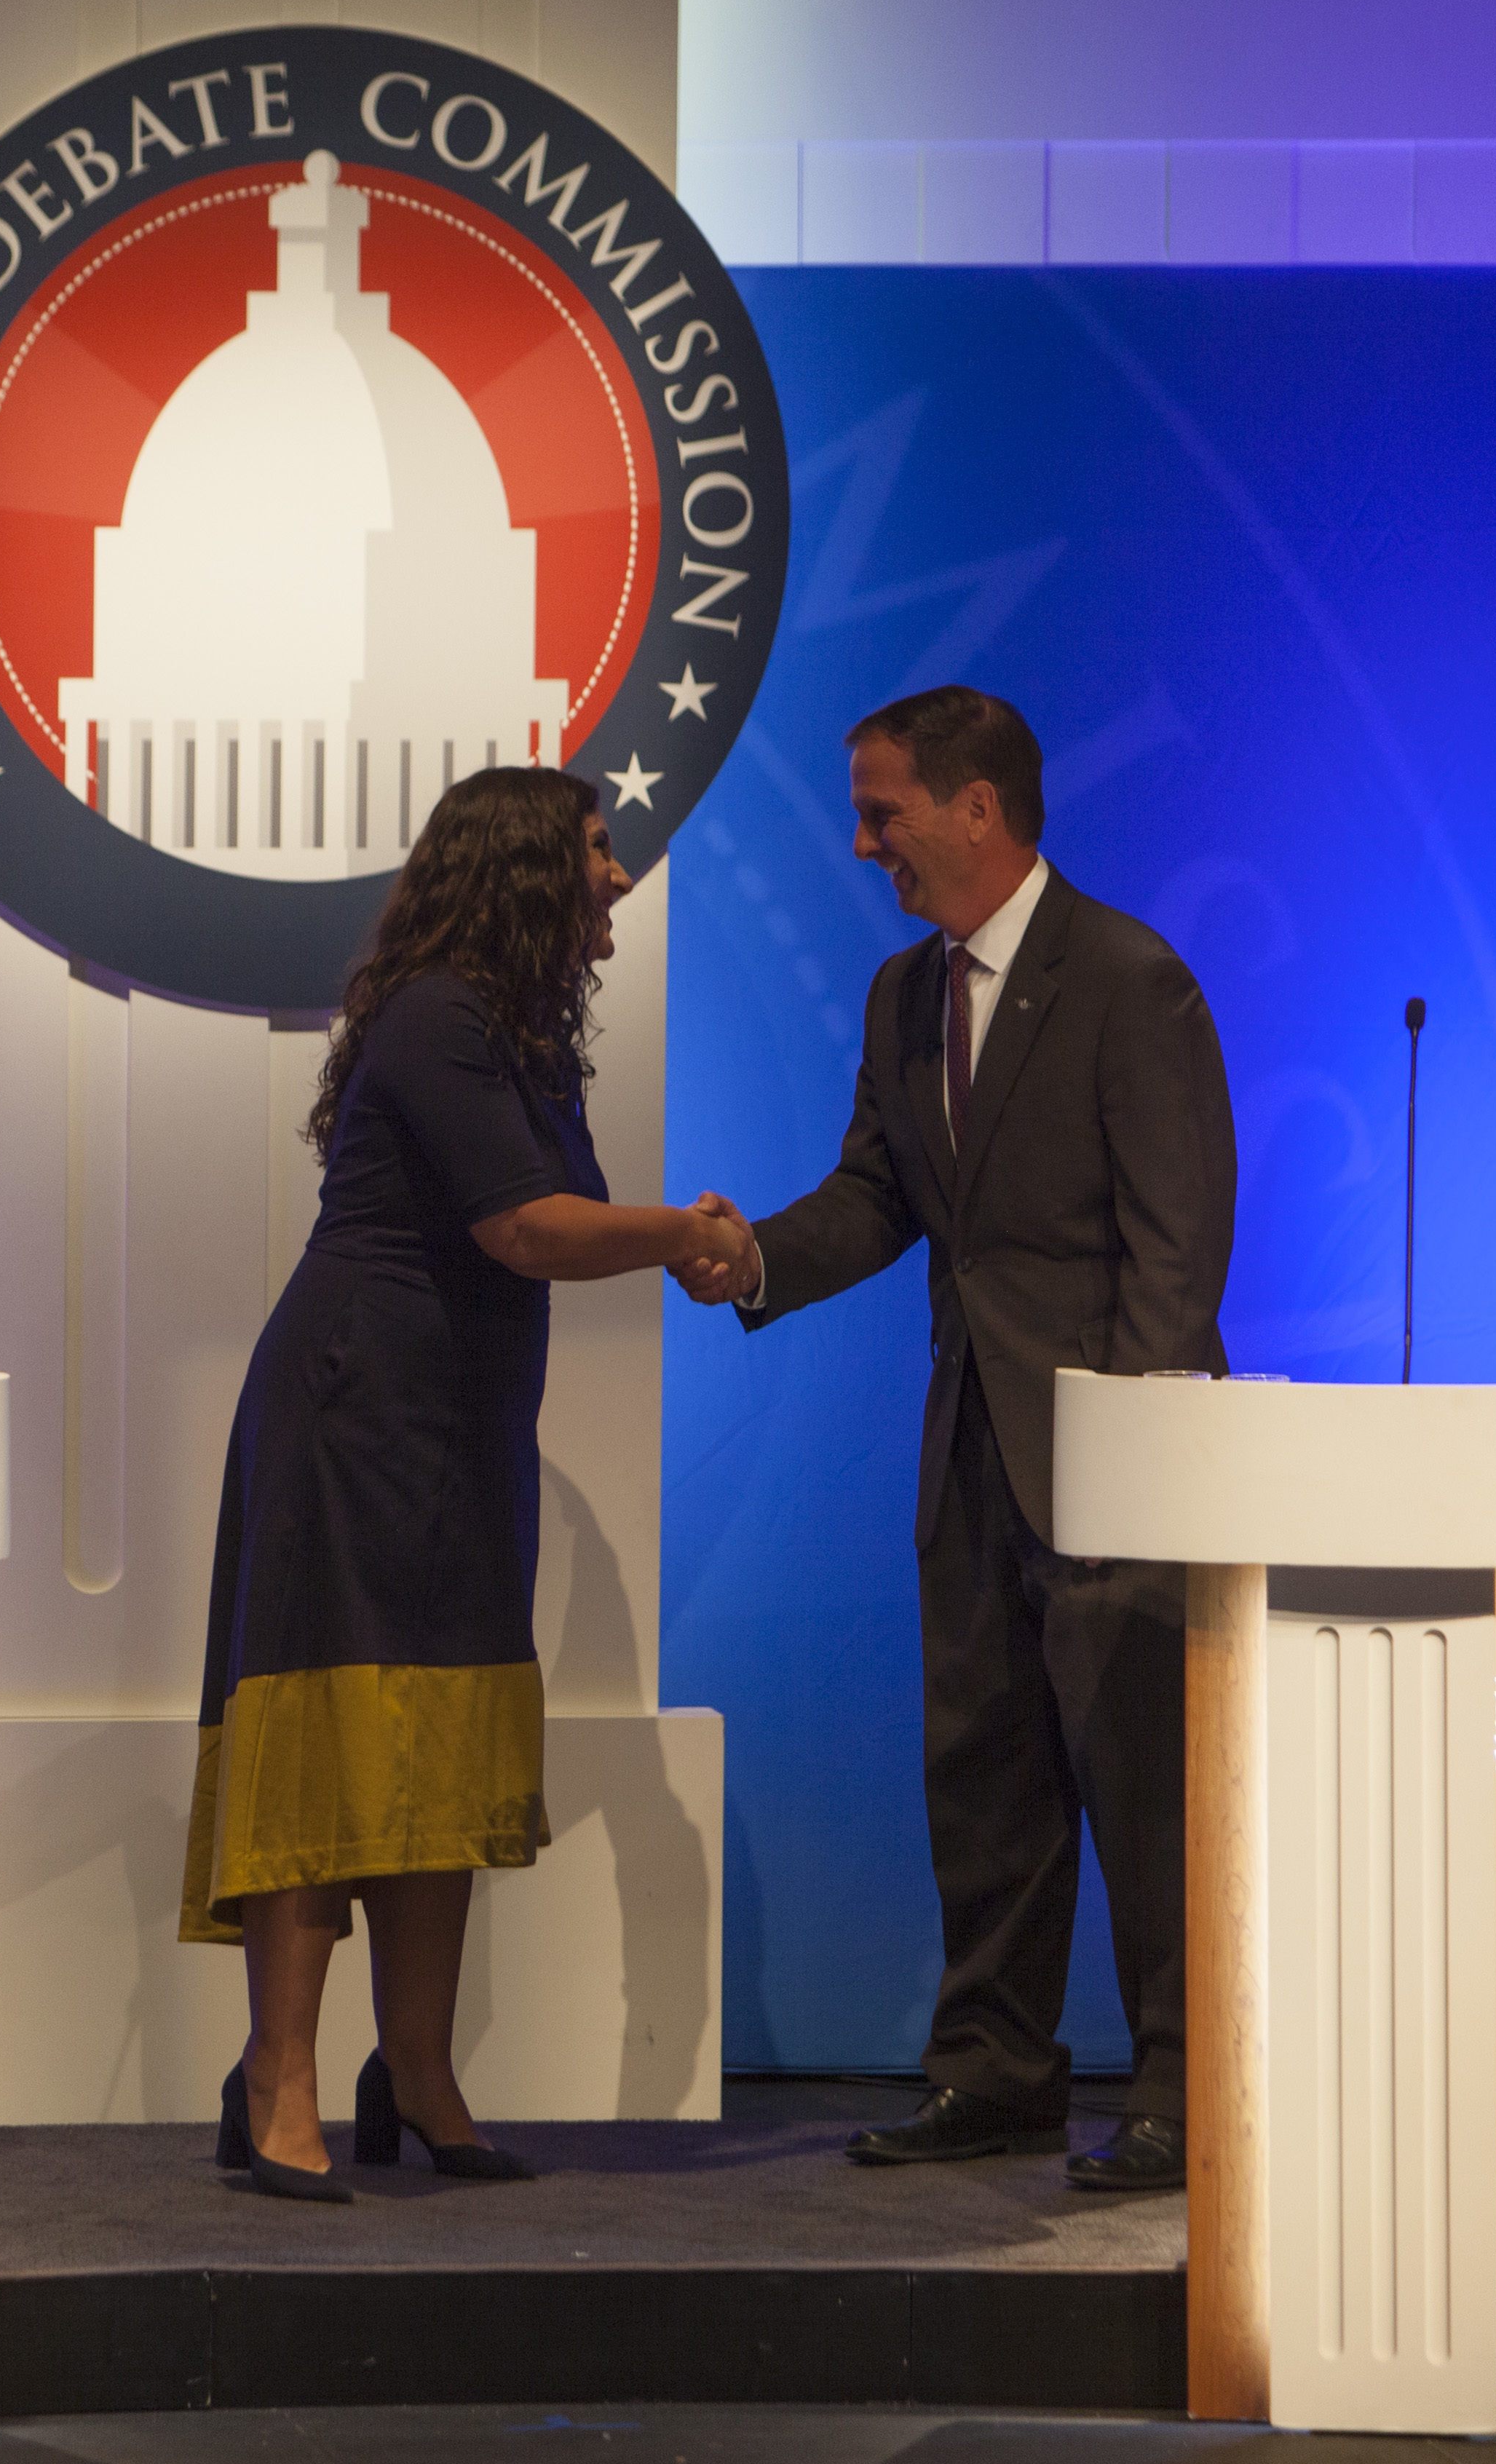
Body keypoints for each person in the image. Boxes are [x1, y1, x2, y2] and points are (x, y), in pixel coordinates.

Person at [681, 686, 1235, 2190]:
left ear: (974, 808)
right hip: (973, 1453)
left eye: (882, 813)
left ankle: (1187, 2090)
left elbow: (1174, 1253)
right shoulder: (898, 997)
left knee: (1145, 1788)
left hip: (1121, 1462)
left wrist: (1132, 1460)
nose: (864, 844)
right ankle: (995, 2072)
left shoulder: (1129, 978)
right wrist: (756, 1260)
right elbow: (879, 1195)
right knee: (982, 1776)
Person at [186, 764, 758, 2203]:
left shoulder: (516, 1032)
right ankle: (278, 2085)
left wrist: (657, 1235)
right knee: (329, 1734)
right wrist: (683, 1232)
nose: (617, 874)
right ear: (519, 870)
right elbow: (523, 1228)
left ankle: (422, 2073)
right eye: (594, 848)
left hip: (457, 1429)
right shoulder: (441, 1011)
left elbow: (548, 1220)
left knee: (442, 1734)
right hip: (352, 1413)